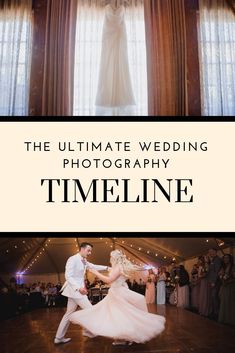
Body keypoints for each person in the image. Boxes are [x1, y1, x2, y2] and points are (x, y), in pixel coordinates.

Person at [70, 250, 165, 346]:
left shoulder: (118, 267)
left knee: (118, 315)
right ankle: (124, 337)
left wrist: (96, 273)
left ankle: (122, 338)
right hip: (117, 291)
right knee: (120, 314)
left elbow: (109, 280)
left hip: (117, 293)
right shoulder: (119, 267)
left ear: (114, 258)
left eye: (111, 257)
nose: (110, 259)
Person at [54, 242, 109, 345]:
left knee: (68, 314)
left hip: (74, 292)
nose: (90, 253)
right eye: (88, 250)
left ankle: (58, 337)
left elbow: (93, 266)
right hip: (76, 290)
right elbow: (68, 276)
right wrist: (79, 288)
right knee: (90, 310)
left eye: (90, 251)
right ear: (82, 249)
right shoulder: (72, 259)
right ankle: (88, 331)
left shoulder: (84, 260)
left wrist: (106, 268)